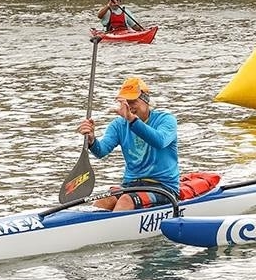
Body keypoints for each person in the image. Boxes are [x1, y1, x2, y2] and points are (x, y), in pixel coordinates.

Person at [77, 76, 180, 211]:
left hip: (163, 187)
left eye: (133, 101)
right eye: (125, 102)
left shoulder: (166, 120)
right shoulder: (118, 124)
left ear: (146, 100)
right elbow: (101, 151)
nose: (129, 107)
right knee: (104, 199)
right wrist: (91, 140)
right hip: (131, 185)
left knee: (126, 200)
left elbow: (160, 141)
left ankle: (112, 231)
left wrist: (132, 120)